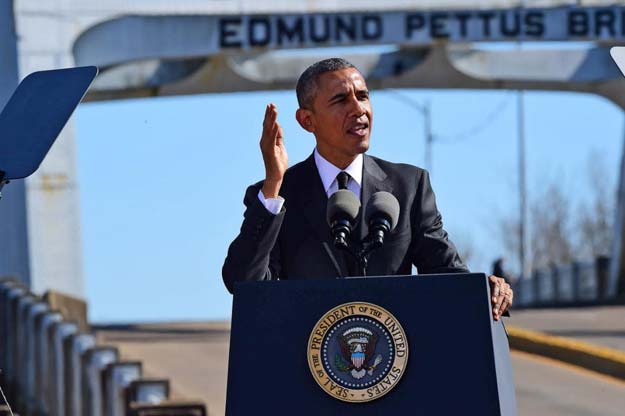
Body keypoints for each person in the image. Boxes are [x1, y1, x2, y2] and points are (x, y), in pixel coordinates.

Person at [222, 58, 513, 320]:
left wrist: (485, 288)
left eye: (363, 96)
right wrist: (274, 183)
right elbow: (243, 282)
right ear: (307, 120)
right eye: (340, 100)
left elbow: (448, 276)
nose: (358, 109)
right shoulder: (279, 195)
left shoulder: (409, 186)